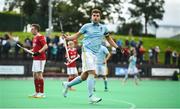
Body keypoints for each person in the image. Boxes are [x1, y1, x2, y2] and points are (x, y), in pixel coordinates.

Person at [62, 9, 121, 104]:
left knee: (84, 76)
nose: (95, 17)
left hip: (95, 54)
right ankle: (91, 96)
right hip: (86, 51)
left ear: (100, 17)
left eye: (97, 15)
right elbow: (76, 36)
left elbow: (109, 39)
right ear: (91, 16)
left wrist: (117, 47)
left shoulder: (103, 28)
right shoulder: (86, 26)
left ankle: (67, 84)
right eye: (94, 15)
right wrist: (67, 38)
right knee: (92, 73)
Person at [29, 24, 48, 98]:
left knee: (39, 75)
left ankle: (42, 93)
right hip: (35, 58)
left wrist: (38, 52)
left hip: (40, 58)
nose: (31, 30)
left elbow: (45, 46)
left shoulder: (41, 37)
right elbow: (35, 48)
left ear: (36, 29)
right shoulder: (34, 38)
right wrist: (32, 51)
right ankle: (37, 92)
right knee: (34, 75)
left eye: (32, 29)